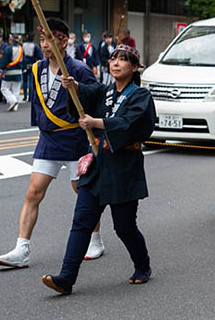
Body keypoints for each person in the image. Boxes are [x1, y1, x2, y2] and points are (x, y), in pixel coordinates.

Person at [42, 45, 156, 295]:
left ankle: (143, 265)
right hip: (98, 165)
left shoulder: (140, 96)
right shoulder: (104, 92)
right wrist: (73, 87)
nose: (116, 63)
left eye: (123, 60)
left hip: (123, 168)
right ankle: (66, 278)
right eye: (113, 58)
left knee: (124, 226)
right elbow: (85, 94)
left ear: (134, 67)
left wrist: (97, 123)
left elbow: (131, 123)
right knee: (81, 222)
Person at [0, 18, 104, 269]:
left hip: (75, 139)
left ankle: (95, 239)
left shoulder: (79, 69)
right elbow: (37, 104)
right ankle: (22, 249)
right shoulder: (37, 69)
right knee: (33, 192)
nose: (44, 45)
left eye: (49, 40)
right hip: (48, 140)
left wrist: (81, 96)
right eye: (41, 40)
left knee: (83, 192)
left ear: (63, 41)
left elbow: (97, 98)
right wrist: (40, 125)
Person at [0, 34, 25, 111]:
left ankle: (13, 101)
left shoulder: (8, 49)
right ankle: (15, 107)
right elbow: (24, 61)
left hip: (9, 72)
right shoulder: (21, 49)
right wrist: (24, 70)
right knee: (16, 90)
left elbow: (4, 61)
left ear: (11, 40)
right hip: (19, 72)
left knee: (4, 88)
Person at [21, 33, 43, 102]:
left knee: (24, 81)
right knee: (31, 81)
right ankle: (30, 96)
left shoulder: (22, 45)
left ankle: (24, 96)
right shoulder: (35, 46)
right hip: (32, 64)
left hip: (24, 64)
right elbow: (39, 56)